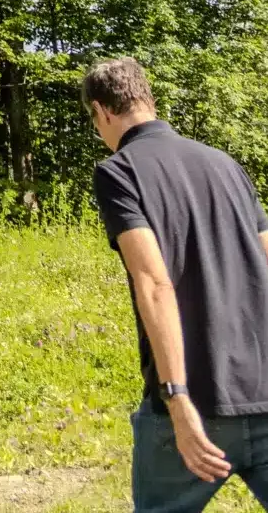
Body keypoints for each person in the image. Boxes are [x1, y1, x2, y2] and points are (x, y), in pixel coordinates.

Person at [85, 56, 268, 511]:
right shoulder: (224, 164)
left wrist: (176, 397)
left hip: (195, 408)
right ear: (149, 99)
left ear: (103, 112)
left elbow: (154, 282)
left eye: (94, 121)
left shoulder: (119, 172)